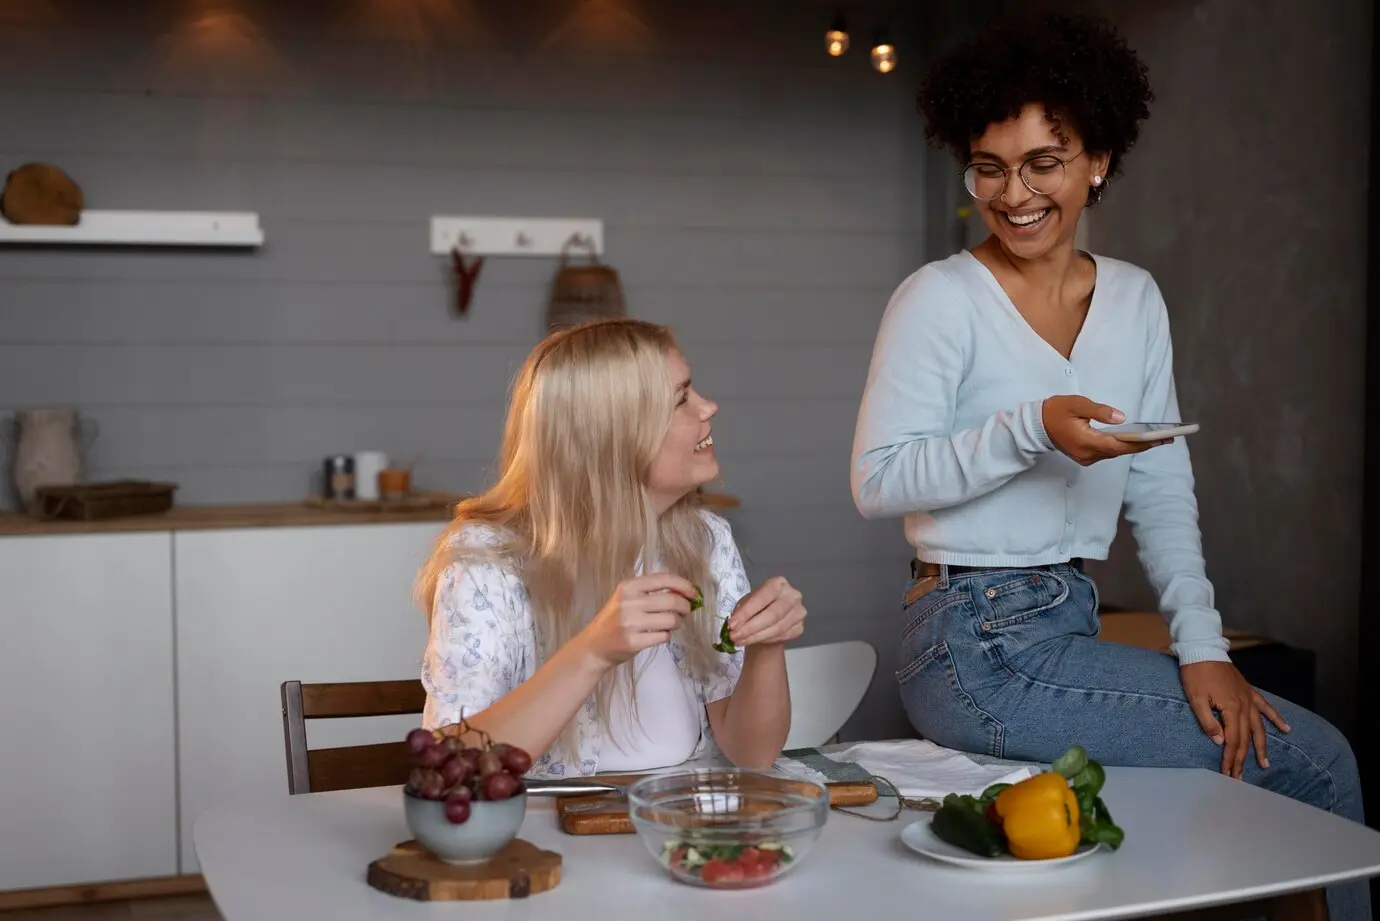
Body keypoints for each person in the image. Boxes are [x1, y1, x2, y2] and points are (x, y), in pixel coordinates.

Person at [850, 12, 1367, 921]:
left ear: (1098, 161)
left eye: (1043, 163)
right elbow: (878, 480)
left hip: (1066, 619)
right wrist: (1033, 428)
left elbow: (1161, 484)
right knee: (1316, 761)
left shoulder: (1134, 299)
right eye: (989, 166)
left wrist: (1202, 646)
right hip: (970, 640)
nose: (1013, 193)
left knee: (1255, 783)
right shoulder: (938, 298)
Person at [417, 318, 807, 779]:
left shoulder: (704, 539)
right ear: (612, 435)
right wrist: (593, 651)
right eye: (680, 399)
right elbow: (453, 767)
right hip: (545, 825)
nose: (709, 406)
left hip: (679, 817)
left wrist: (767, 649)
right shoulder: (487, 561)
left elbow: (752, 754)